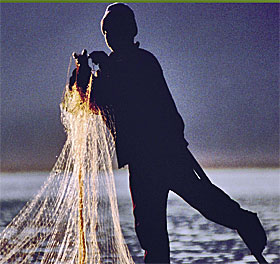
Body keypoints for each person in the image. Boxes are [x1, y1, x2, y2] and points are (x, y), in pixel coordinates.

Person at [70, 3, 267, 263]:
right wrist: (82, 72)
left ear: (130, 31)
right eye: (108, 31)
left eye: (116, 30)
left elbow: (131, 89)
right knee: (151, 233)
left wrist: (105, 67)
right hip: (142, 163)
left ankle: (244, 221)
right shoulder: (113, 69)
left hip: (166, 154)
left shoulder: (142, 62)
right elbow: (93, 100)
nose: (111, 36)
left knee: (205, 201)